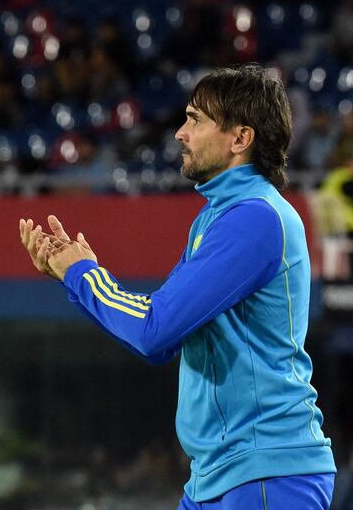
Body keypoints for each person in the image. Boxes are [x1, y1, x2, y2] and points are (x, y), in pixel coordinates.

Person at [19, 64, 336, 509]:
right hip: (218, 476)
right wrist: (77, 274)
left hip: (267, 474)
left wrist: (83, 275)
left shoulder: (255, 218)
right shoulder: (217, 216)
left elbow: (154, 331)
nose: (180, 134)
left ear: (240, 139)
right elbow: (164, 332)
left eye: (195, 120)